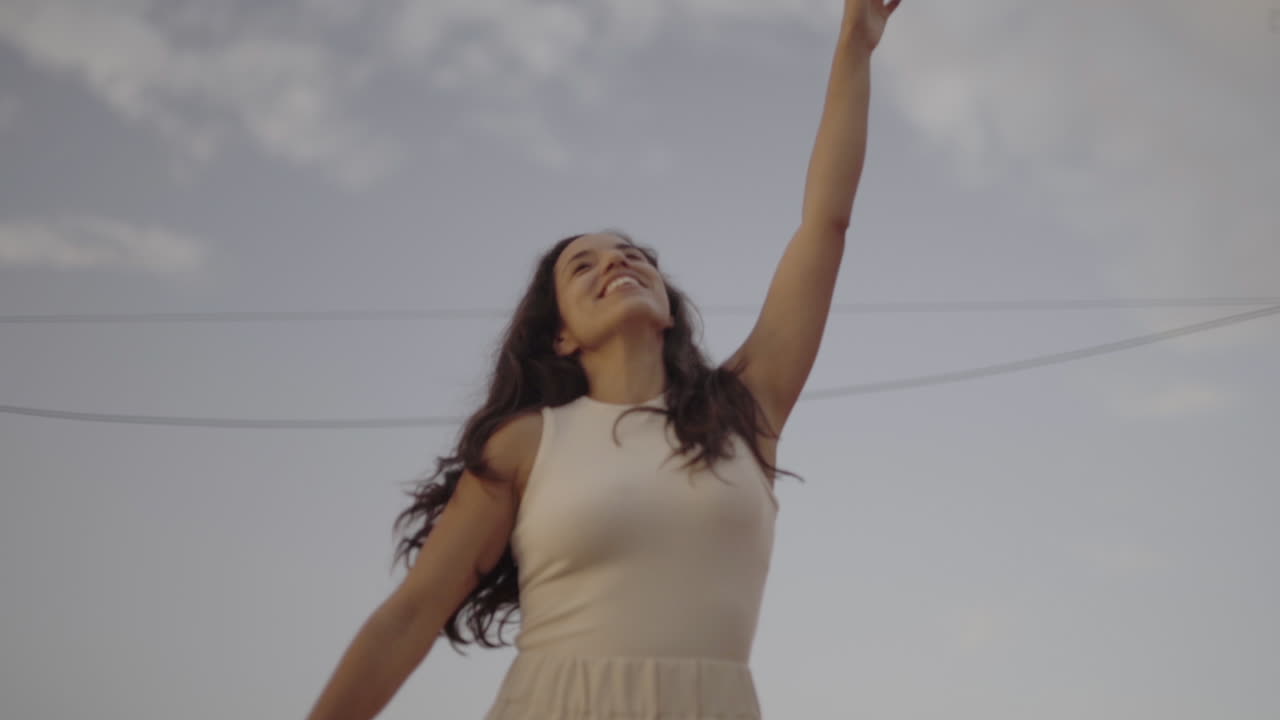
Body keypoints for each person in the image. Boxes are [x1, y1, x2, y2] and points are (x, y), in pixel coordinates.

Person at [304, 1, 900, 718]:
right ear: (560, 335)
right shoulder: (529, 443)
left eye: (631, 255)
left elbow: (824, 222)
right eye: (582, 266)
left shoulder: (745, 410)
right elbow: (409, 616)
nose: (615, 263)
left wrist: (855, 44)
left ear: (668, 308)